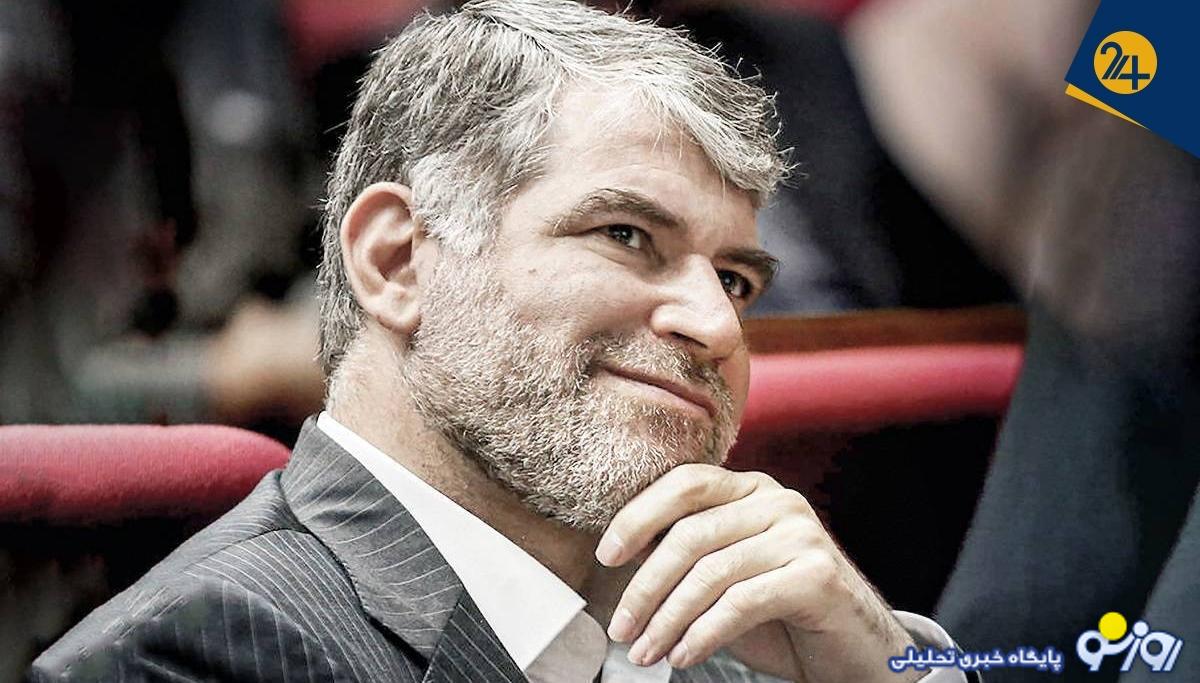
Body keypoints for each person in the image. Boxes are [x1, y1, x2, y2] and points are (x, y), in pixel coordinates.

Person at [30, 1, 970, 681]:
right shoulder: (200, 651)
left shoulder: (761, 640)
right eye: (626, 234)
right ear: (398, 261)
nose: (720, 326)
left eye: (735, 279)